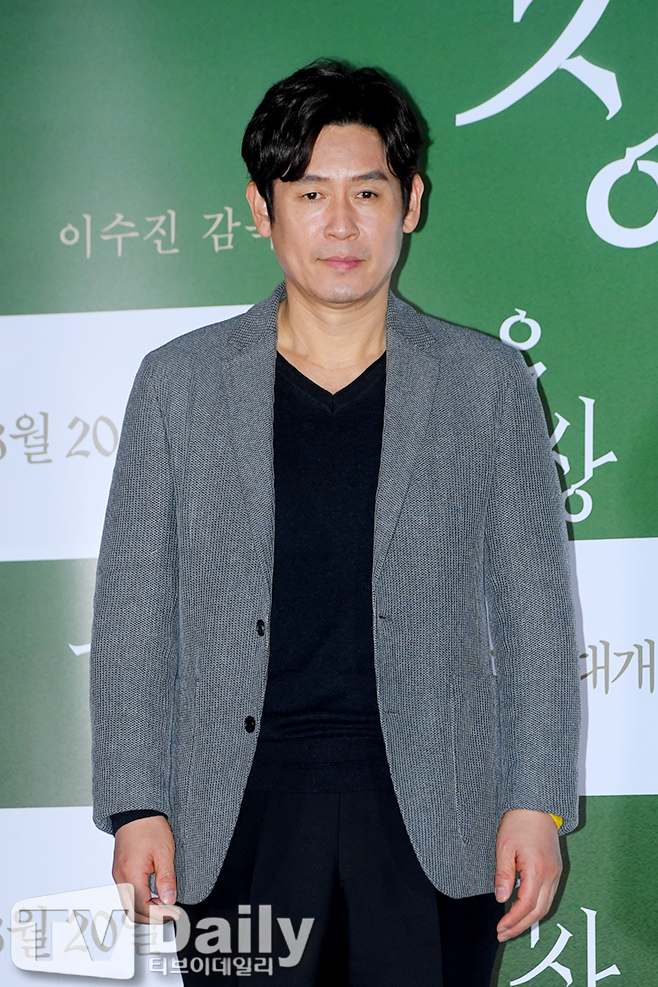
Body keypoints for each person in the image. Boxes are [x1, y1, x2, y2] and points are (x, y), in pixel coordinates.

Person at [90, 60, 581, 986]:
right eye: (310, 193)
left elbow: (538, 617)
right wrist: (134, 803)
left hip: (437, 817)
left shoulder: (484, 384)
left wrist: (538, 801)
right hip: (234, 820)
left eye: (368, 191)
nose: (342, 224)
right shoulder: (179, 384)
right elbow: (132, 613)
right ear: (262, 208)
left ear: (411, 202)